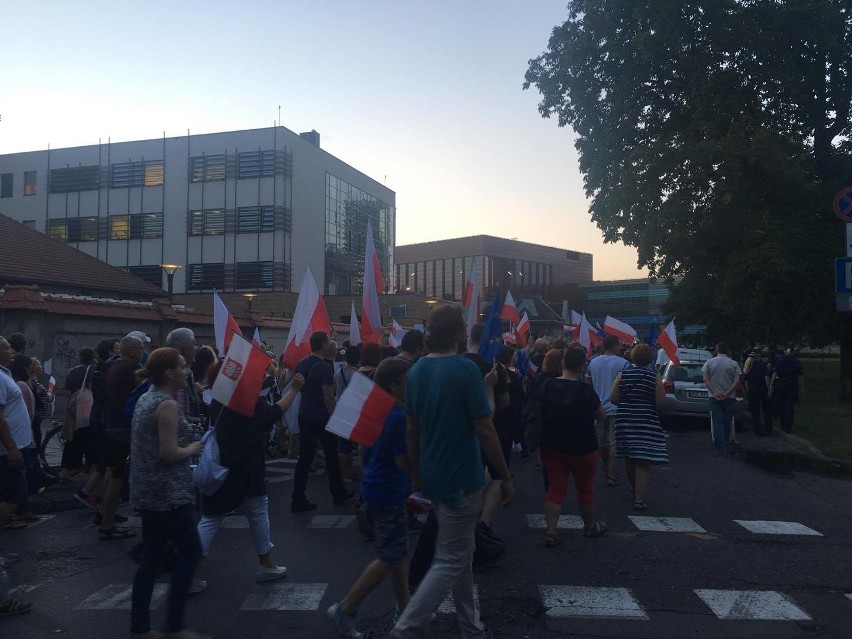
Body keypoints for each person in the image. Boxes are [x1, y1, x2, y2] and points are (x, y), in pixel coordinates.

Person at [389, 305, 513, 639]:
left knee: (461, 553)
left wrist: (417, 478)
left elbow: (412, 430)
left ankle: (470, 626)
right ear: (458, 333)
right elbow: (486, 428)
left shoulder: (415, 372)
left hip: (432, 473)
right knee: (449, 559)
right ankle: (406, 627)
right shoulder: (464, 370)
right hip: (462, 476)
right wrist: (505, 475)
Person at [327, 359, 412, 638]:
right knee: (389, 556)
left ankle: (405, 609)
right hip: (388, 489)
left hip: (376, 486)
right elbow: (402, 461)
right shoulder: (398, 417)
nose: (411, 385)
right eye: (407, 380)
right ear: (394, 384)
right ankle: (346, 608)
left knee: (396, 551)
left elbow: (364, 451)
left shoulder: (379, 411)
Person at [196, 367, 304, 584]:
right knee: (254, 511)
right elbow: (273, 414)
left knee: (213, 516)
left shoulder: (219, 397)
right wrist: (293, 390)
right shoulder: (245, 400)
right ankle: (265, 564)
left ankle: (187, 568)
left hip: (222, 462)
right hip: (246, 465)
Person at [129, 348, 208, 639]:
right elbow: (169, 453)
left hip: (146, 492)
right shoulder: (167, 405)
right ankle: (174, 625)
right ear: (169, 373)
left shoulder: (146, 398)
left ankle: (140, 628)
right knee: (191, 553)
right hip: (168, 494)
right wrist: (193, 449)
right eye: (183, 367)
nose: (188, 372)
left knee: (151, 559)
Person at [532, 346, 608, 547]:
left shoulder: (548, 385)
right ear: (583, 366)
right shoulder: (585, 390)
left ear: (563, 364)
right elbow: (601, 415)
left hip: (553, 445)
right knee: (585, 487)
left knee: (556, 488)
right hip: (583, 446)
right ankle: (590, 527)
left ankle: (551, 531)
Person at [291, 331, 353, 512]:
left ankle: (298, 497)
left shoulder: (301, 364)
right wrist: (335, 417)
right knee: (331, 456)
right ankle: (338, 493)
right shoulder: (325, 367)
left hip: (305, 414)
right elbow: (328, 397)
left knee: (304, 458)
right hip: (322, 417)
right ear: (324, 345)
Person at [98, 334, 145, 541]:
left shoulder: (115, 367)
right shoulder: (127, 369)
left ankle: (105, 517)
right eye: (140, 348)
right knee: (117, 477)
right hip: (122, 429)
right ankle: (107, 524)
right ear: (130, 350)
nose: (143, 352)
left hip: (113, 426)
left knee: (112, 474)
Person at [610, 344, 668, 511]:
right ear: (650, 358)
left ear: (632, 358)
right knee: (643, 462)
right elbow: (661, 402)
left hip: (625, 420)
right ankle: (639, 499)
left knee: (629, 458)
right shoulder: (654, 376)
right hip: (646, 421)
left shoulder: (623, 374)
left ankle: (634, 488)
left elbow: (613, 398)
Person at [585, 335, 629, 486]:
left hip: (598, 407)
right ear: (615, 346)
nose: (621, 347)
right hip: (617, 407)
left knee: (601, 441)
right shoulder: (624, 363)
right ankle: (612, 473)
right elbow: (626, 386)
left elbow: (588, 384)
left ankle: (605, 464)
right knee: (614, 442)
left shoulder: (592, 362)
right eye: (619, 344)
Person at [0, 344, 34, 530]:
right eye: (6, 348)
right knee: (15, 494)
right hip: (7, 449)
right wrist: (12, 448)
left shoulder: (4, 374)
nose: (11, 351)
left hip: (11, 447)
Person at [702, 343, 743, 457]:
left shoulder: (709, 363)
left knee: (717, 422)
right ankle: (726, 444)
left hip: (714, 397)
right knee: (727, 421)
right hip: (729, 397)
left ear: (717, 350)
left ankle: (720, 448)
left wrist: (714, 392)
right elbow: (736, 381)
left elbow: (705, 379)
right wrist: (727, 393)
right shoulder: (733, 363)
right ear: (727, 351)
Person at [770, 347, 804, 433]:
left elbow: (775, 373)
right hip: (792, 384)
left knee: (782, 404)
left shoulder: (780, 360)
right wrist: (801, 387)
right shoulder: (796, 362)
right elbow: (800, 376)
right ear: (793, 352)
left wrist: (771, 385)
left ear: (785, 351)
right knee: (790, 405)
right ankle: (789, 426)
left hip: (781, 384)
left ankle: (782, 424)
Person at [743, 350, 773, 435]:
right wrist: (769, 390)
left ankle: (757, 430)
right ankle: (768, 430)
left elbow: (746, 381)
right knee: (766, 411)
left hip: (753, 392)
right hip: (763, 391)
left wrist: (748, 391)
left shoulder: (748, 368)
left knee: (755, 412)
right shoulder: (762, 366)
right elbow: (766, 378)